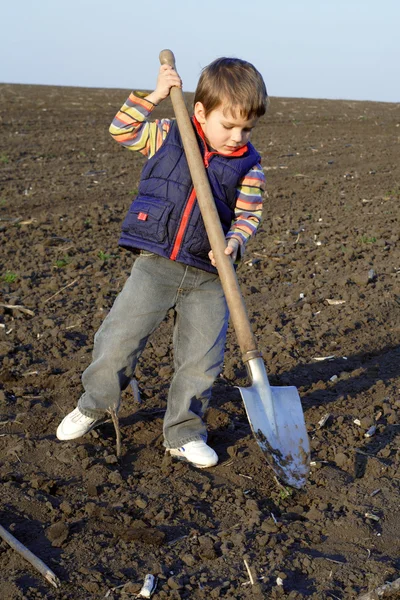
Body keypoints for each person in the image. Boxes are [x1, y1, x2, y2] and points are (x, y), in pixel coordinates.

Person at [56, 57, 267, 468]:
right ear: (200, 112)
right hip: (156, 264)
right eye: (229, 125)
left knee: (201, 361)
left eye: (247, 128)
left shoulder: (249, 164)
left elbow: (248, 216)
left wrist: (234, 242)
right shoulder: (170, 133)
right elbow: (122, 129)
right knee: (118, 340)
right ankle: (96, 405)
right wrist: (154, 95)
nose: (237, 136)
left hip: (209, 277)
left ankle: (184, 432)